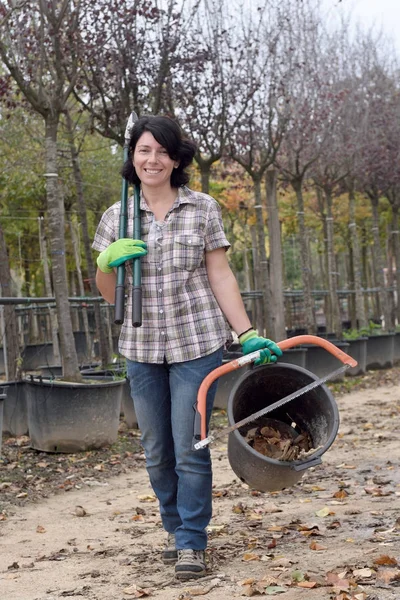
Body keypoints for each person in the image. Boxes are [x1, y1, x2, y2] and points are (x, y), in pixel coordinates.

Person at [92, 115, 282, 580]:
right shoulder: (117, 216)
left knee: (189, 446)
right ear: (132, 157)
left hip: (196, 343)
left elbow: (220, 274)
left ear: (176, 159)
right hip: (140, 346)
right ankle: (174, 529)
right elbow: (108, 292)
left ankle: (192, 541)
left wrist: (246, 332)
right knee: (157, 449)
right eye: (143, 150)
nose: (152, 159)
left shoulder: (201, 208)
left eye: (162, 151)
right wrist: (106, 261)